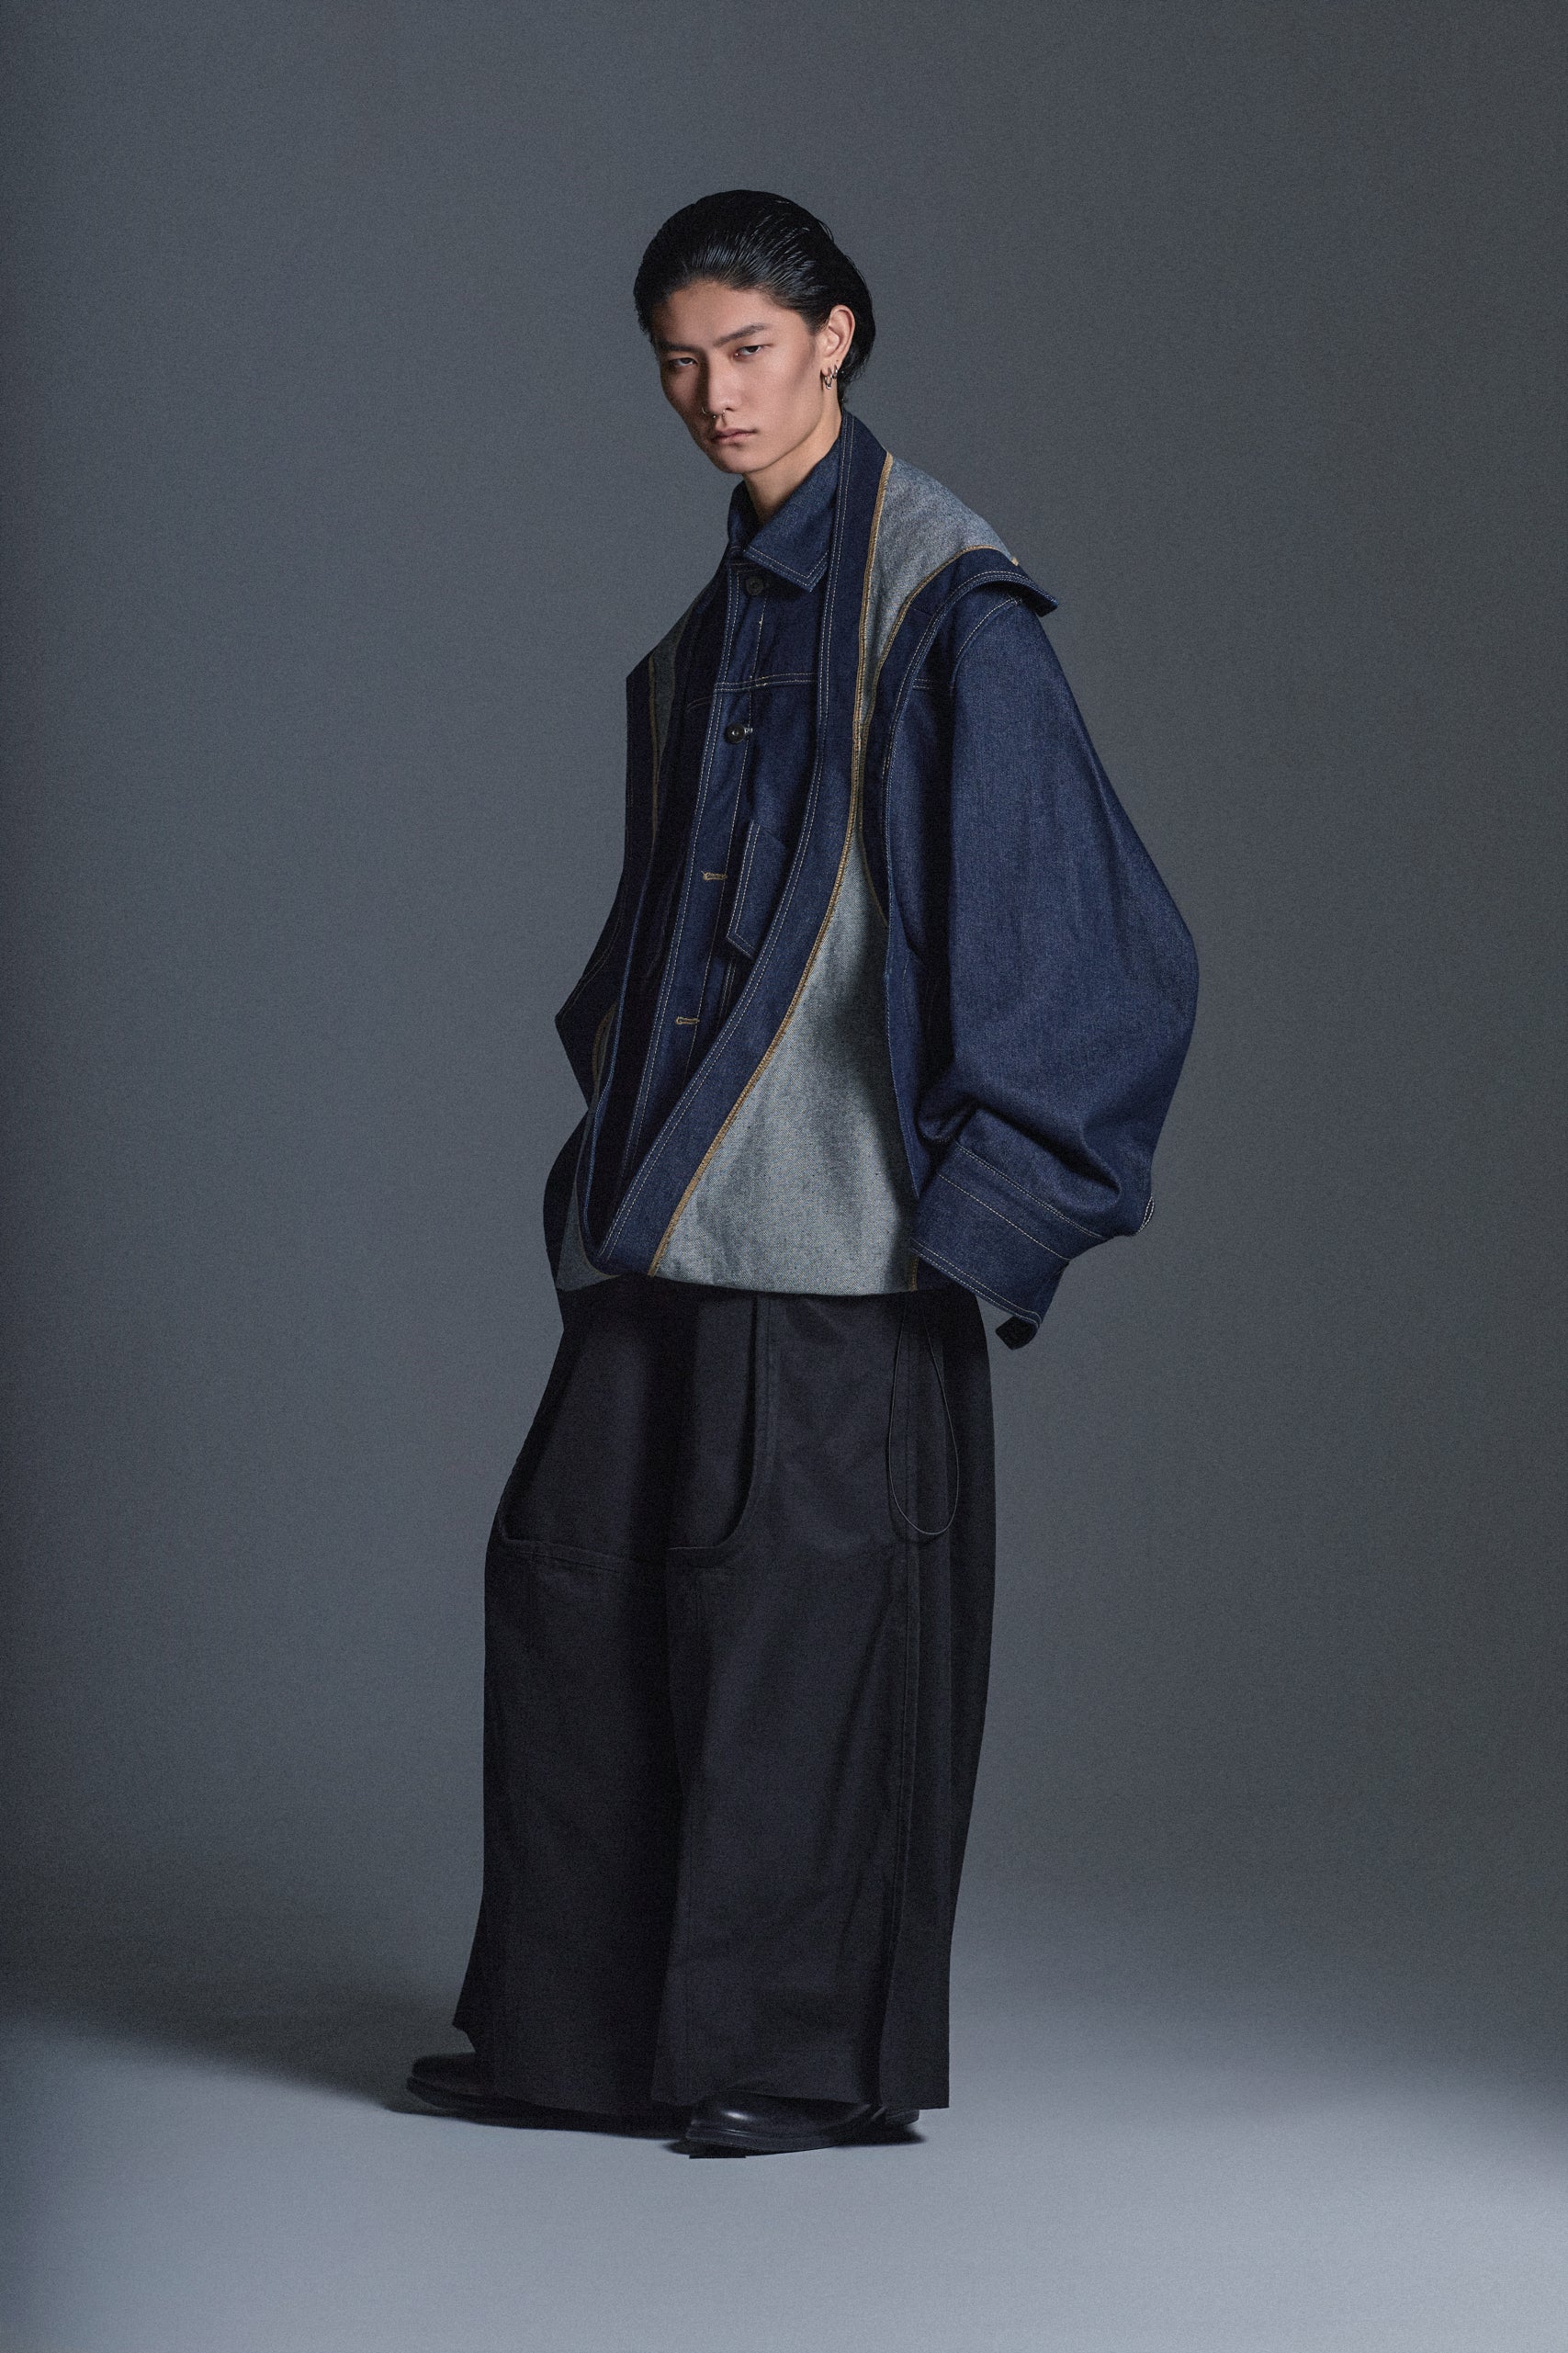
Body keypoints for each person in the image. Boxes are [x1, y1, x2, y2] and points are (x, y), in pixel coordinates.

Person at [408, 189, 1198, 2157]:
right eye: (679, 362)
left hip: (844, 1244)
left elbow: (1097, 940)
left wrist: (978, 1219)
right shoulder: (734, 612)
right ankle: (577, 2042)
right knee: (575, 1593)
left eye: (748, 350)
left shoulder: (943, 603)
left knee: (805, 1648)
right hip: (673, 1215)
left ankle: (789, 2061)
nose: (713, 396)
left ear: (835, 336)